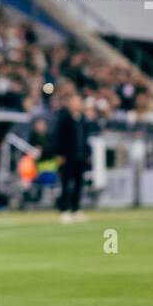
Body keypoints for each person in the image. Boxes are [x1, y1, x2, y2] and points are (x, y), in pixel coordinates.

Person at [50, 92, 91, 223]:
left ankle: (76, 209)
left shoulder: (83, 119)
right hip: (67, 157)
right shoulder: (64, 119)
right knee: (66, 184)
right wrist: (59, 154)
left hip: (80, 157)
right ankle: (64, 210)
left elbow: (85, 139)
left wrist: (87, 153)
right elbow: (58, 138)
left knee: (79, 184)